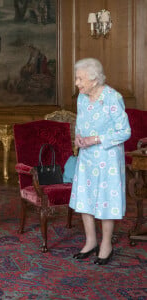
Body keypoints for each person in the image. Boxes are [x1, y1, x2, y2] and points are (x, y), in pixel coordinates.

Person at [69, 58, 131, 265]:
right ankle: (90, 241)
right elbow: (80, 121)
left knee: (106, 200)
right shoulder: (82, 97)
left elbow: (125, 132)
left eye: (80, 78)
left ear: (94, 80)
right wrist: (78, 137)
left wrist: (95, 139)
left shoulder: (113, 98)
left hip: (108, 158)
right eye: (76, 78)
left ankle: (106, 244)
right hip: (86, 156)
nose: (77, 83)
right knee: (85, 199)